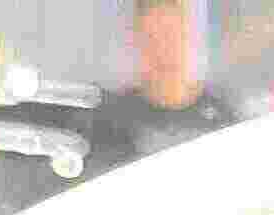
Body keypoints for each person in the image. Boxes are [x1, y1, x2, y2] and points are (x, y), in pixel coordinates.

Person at [83, 0, 235, 172]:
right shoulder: (111, 123)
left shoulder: (223, 118)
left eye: (171, 37)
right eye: (153, 39)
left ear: (190, 38)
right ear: (136, 42)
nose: (163, 52)